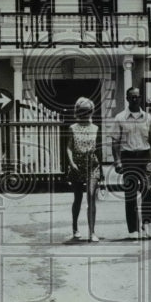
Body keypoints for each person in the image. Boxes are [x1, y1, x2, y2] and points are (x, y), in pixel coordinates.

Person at [110, 86, 151, 239]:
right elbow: (115, 141)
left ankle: (147, 224)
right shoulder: (120, 118)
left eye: (137, 96)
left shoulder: (147, 117)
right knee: (130, 193)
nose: (135, 99)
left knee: (147, 191)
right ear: (127, 98)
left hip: (145, 157)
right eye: (132, 96)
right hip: (128, 158)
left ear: (140, 98)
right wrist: (117, 161)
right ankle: (133, 229)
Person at [66, 97, 101, 242]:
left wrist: (102, 170)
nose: (85, 114)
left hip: (92, 166)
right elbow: (68, 147)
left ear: (91, 112)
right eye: (82, 111)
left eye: (87, 111)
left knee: (91, 197)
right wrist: (71, 163)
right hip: (77, 166)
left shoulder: (95, 128)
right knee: (78, 198)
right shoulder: (72, 128)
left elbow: (98, 149)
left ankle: (92, 232)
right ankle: (75, 228)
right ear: (77, 112)